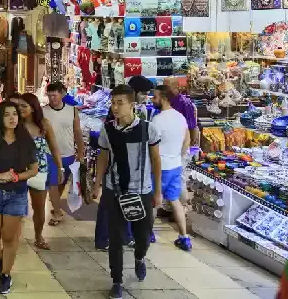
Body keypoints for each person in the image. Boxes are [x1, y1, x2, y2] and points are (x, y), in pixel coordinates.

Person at [91, 84, 162, 299]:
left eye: (119, 103)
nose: (115, 107)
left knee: (143, 236)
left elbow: (156, 160)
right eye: (113, 102)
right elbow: (103, 158)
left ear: (132, 105)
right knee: (116, 238)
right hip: (115, 191)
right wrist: (97, 184)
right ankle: (117, 281)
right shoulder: (108, 130)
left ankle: (140, 258)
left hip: (142, 191)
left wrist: (157, 191)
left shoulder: (148, 129)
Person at [0, 101, 38, 295]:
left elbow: (34, 169)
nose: (12, 118)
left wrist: (17, 177)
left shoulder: (25, 140)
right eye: (7, 114)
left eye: (15, 114)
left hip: (17, 194)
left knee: (10, 237)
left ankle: (5, 276)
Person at [10, 93, 63, 251]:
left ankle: (38, 236)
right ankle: (11, 237)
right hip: (17, 172)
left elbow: (54, 148)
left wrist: (60, 168)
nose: (20, 110)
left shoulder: (44, 124)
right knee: (14, 207)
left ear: (33, 108)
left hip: (39, 172)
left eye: (24, 106)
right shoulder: (14, 124)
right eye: (18, 106)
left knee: (39, 208)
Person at [150, 85, 191, 251]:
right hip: (175, 165)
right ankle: (184, 237)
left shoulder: (157, 120)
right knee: (175, 201)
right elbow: (187, 139)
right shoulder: (180, 117)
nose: (153, 100)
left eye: (155, 97)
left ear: (164, 98)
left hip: (161, 167)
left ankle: (148, 233)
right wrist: (179, 155)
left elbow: (151, 146)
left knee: (153, 201)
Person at [43, 82, 85, 225]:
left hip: (69, 154)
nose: (52, 98)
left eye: (54, 95)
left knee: (61, 183)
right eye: (49, 95)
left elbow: (77, 132)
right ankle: (57, 212)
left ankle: (55, 207)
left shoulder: (72, 110)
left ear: (62, 94)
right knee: (52, 184)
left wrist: (81, 151)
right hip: (50, 155)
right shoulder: (43, 112)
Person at [163, 77, 199, 147]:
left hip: (180, 145)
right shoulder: (165, 100)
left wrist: (188, 147)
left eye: (167, 87)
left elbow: (192, 127)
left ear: (176, 87)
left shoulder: (185, 103)